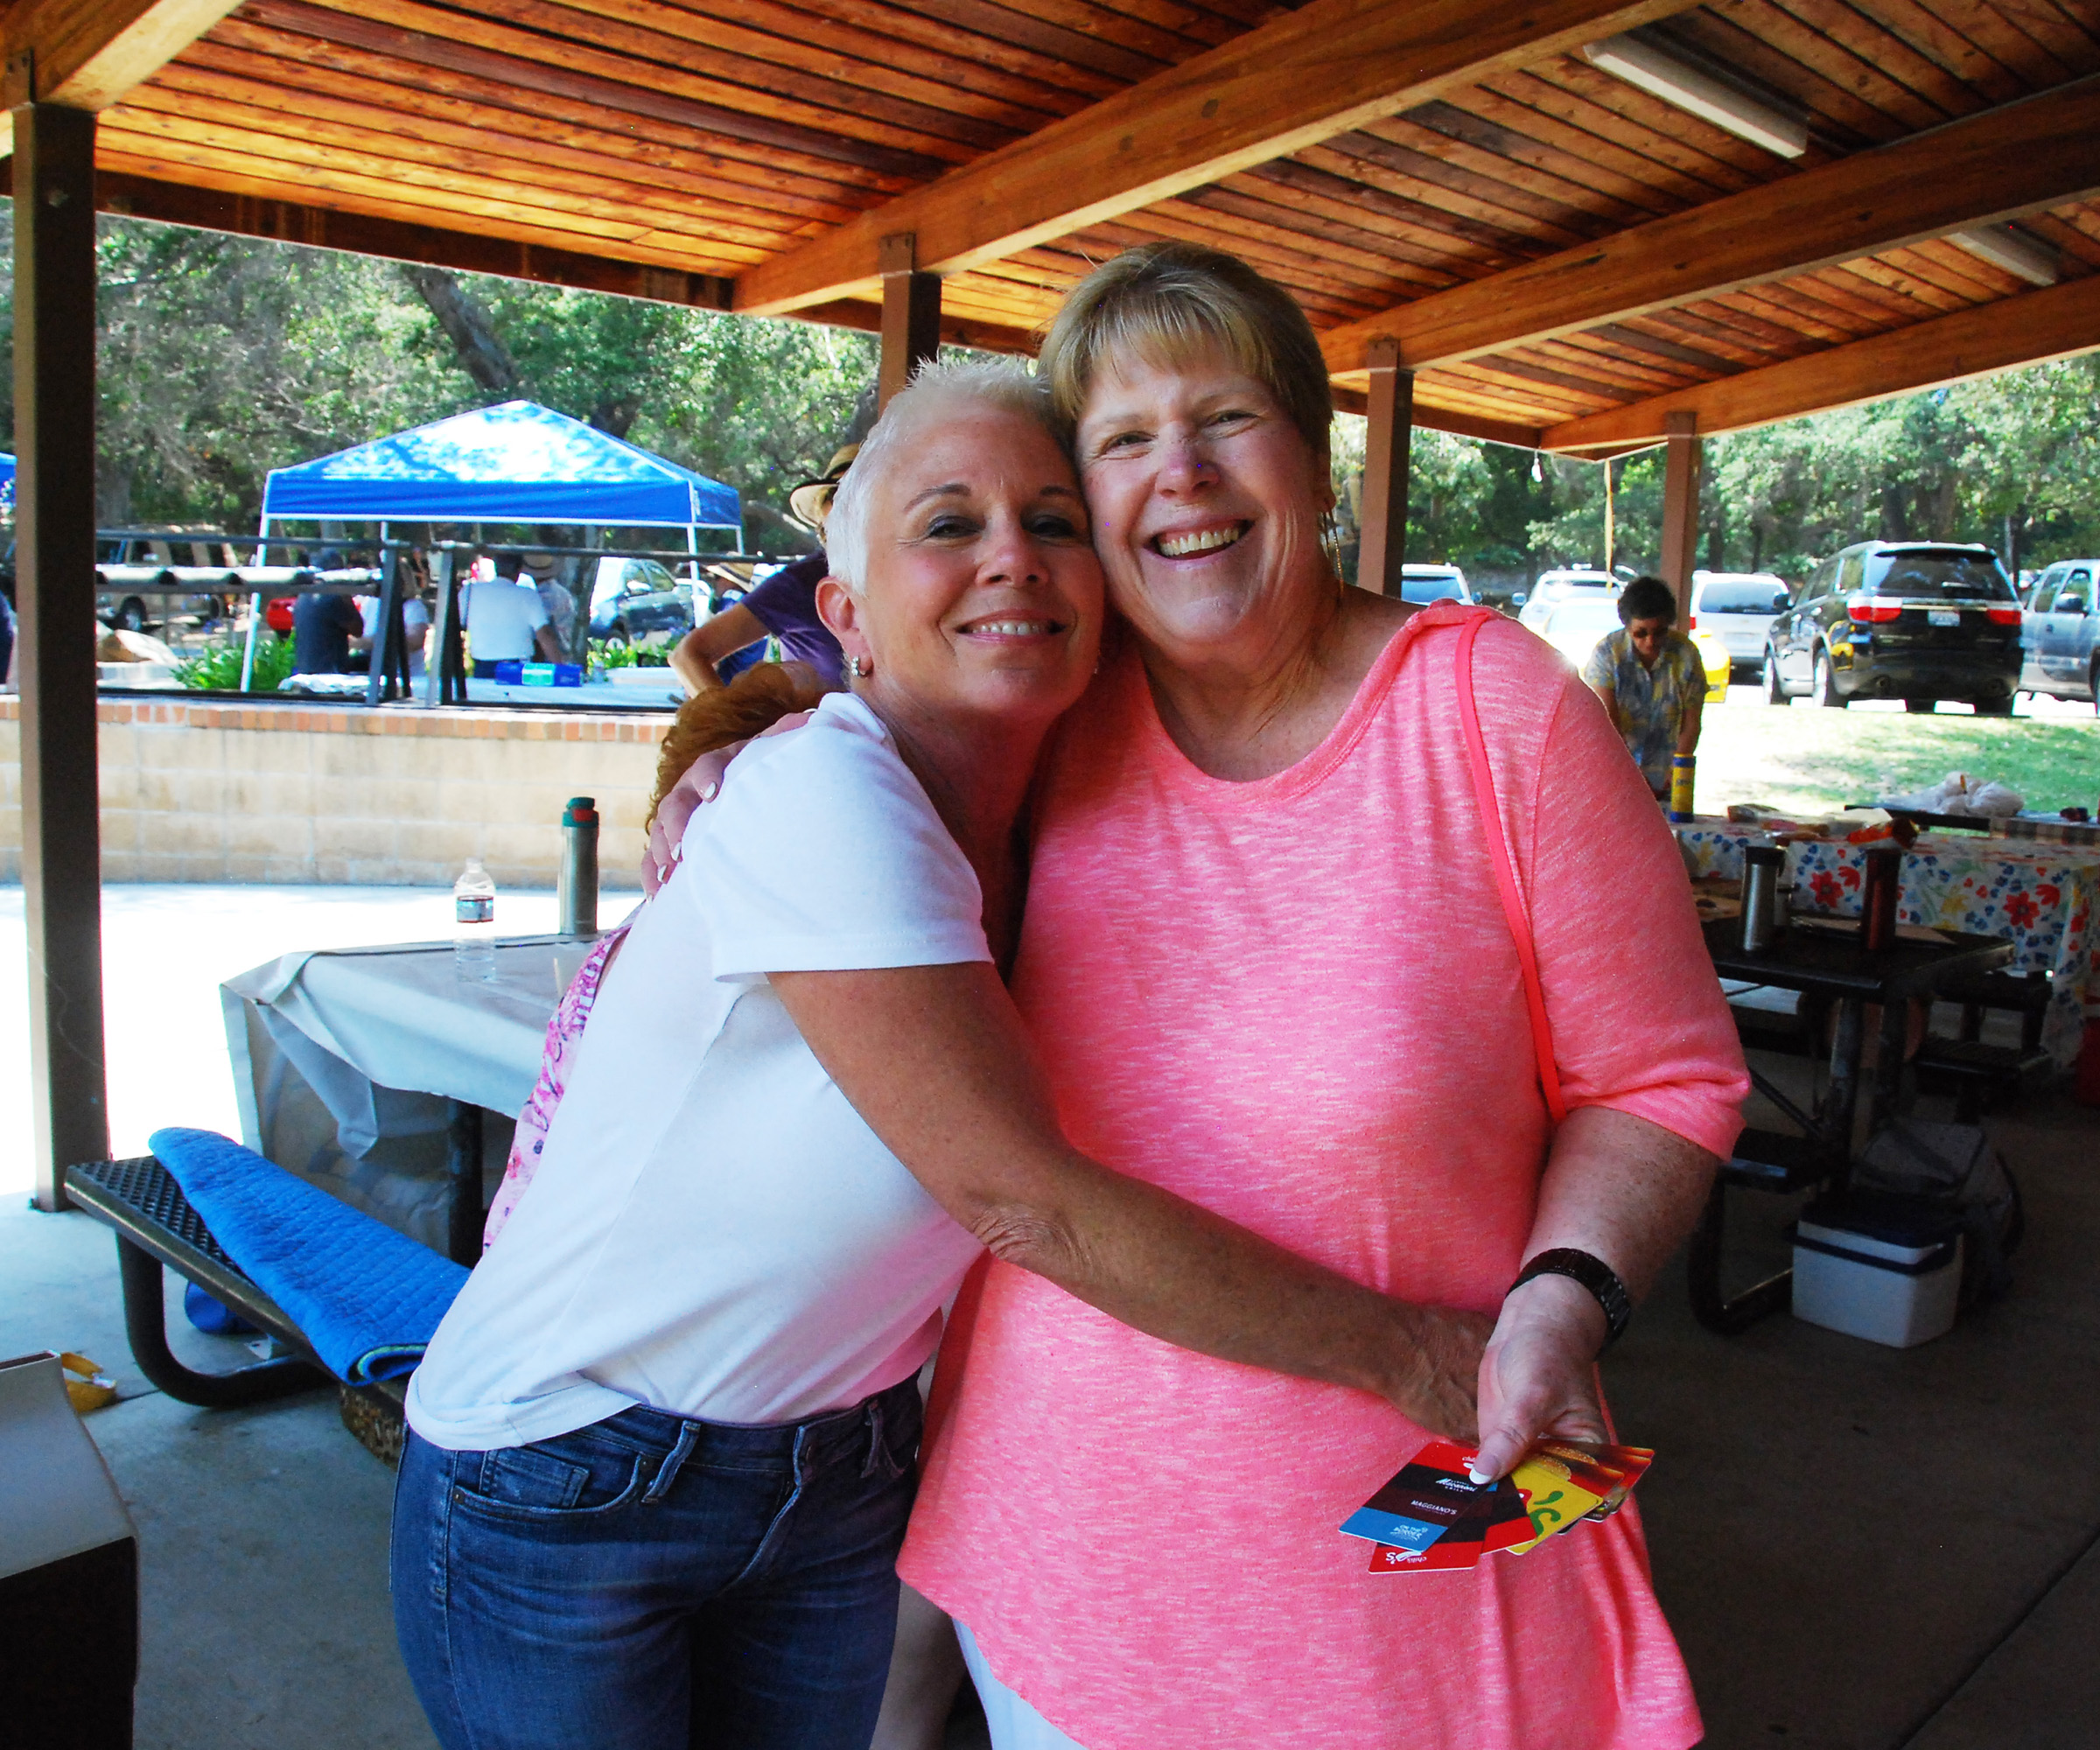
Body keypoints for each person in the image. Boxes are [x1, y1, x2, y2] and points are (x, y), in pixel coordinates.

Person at [660, 245, 1749, 1750]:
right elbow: (857, 634)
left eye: (1227, 418)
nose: (1182, 474)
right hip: (1063, 1568)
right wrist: (738, 739)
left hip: (1403, 1571)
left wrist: (1568, 1297)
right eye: (1121, 441)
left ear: (1311, 459)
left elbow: (1659, 1080)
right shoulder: (1054, 705)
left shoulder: (1497, 714)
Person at [395, 360, 1492, 1750]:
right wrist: (1415, 1356)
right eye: (948, 525)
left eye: (1052, 523)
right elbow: (1019, 1197)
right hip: (574, 1468)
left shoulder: (1064, 810)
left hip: (839, 1464)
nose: (1010, 562)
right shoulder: (819, 793)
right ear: (845, 614)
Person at [669, 446, 854, 695]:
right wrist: (732, 728)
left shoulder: (902, 580)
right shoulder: (801, 583)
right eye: (839, 496)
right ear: (824, 511)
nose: (852, 509)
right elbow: (688, 655)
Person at [1581, 573, 1705, 800]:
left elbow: (1692, 723)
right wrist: (1629, 774)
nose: (1650, 641)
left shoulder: (1686, 655)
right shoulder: (1607, 654)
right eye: (1641, 633)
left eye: (1659, 632)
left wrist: (1677, 769)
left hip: (1669, 776)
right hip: (1615, 771)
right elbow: (1607, 723)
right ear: (1627, 626)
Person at [462, 556, 562, 676]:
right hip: (518, 666)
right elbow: (544, 635)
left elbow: (454, 626)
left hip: (482, 665)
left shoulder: (470, 591)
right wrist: (561, 669)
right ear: (519, 570)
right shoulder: (528, 596)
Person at [290, 548, 364, 674]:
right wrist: (345, 594)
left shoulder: (304, 596)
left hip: (306, 670)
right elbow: (358, 629)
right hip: (328, 675)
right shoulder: (331, 597)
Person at [520, 551, 578, 658]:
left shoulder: (539, 598)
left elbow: (541, 633)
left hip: (548, 654)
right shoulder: (564, 593)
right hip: (564, 648)